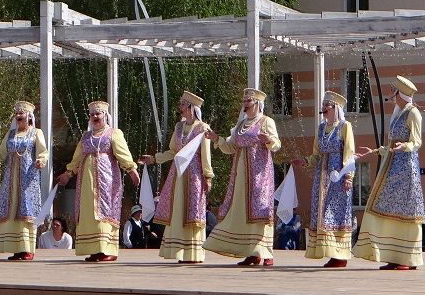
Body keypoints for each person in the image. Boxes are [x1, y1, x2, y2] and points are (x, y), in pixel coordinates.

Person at [353, 76, 425, 270]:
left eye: (393, 90)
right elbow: (392, 145)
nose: (390, 94)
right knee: (386, 208)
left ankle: (407, 259)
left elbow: (417, 142)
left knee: (406, 211)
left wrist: (406, 146)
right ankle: (393, 255)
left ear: (400, 93)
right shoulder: (398, 113)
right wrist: (376, 151)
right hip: (392, 167)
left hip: (406, 169)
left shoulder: (413, 113)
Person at [203, 87, 281, 266]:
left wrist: (267, 140)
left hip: (259, 174)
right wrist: (216, 138)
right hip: (240, 176)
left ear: (257, 104)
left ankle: (266, 252)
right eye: (244, 101)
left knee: (260, 210)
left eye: (248, 101)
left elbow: (276, 145)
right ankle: (252, 251)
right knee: (242, 210)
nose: (245, 104)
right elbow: (230, 147)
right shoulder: (240, 125)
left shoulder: (266, 121)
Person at [56, 100, 140, 263]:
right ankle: (95, 250)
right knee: (88, 213)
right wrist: (68, 173)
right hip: (86, 182)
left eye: (98, 113)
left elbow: (123, 154)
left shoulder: (113, 133)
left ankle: (107, 249)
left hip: (106, 181)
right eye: (92, 114)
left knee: (105, 212)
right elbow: (77, 157)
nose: (95, 116)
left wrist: (131, 170)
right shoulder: (86, 136)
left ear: (105, 116)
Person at [139, 90, 214, 264]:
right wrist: (153, 159)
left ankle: (194, 253)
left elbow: (206, 154)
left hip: (194, 175)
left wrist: (208, 176)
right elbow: (173, 151)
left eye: (182, 104)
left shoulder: (202, 128)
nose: (179, 107)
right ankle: (180, 251)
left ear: (191, 107)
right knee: (178, 211)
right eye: (180, 104)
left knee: (193, 211)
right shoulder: (179, 127)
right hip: (178, 175)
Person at [0, 100, 48, 261]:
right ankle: (17, 248)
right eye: (17, 113)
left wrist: (40, 161)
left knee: (25, 211)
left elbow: (43, 152)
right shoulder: (10, 134)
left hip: (28, 179)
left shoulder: (36, 133)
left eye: (21, 113)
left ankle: (27, 249)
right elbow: (0, 155)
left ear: (29, 116)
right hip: (11, 179)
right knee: (12, 211)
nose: (18, 116)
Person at [298, 90, 355, 268]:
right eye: (323, 106)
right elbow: (317, 153)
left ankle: (341, 254)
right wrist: (306, 162)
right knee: (322, 212)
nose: (323, 109)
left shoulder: (345, 126)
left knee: (335, 212)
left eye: (327, 106)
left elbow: (349, 152)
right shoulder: (321, 128)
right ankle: (331, 253)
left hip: (338, 176)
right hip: (321, 176)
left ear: (335, 108)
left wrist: (348, 177)